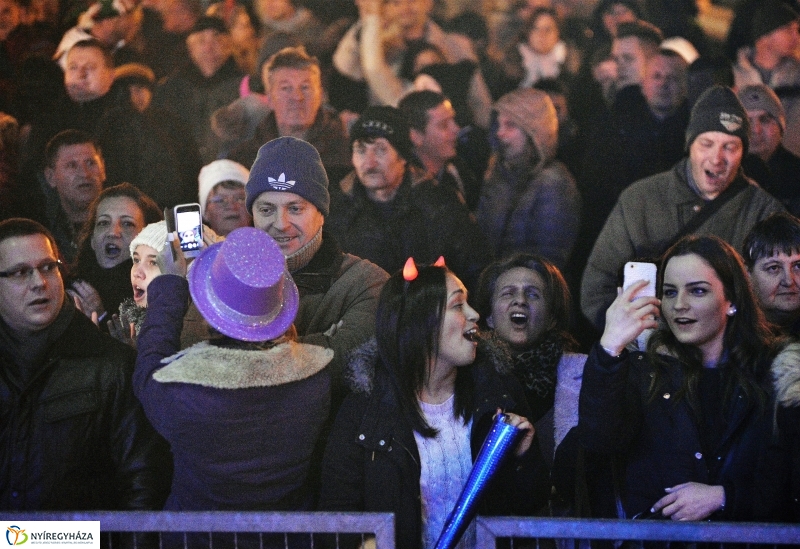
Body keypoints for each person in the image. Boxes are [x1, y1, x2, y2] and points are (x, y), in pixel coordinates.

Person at [318, 260, 550, 549]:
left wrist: (524, 458)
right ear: (420, 324)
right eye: (458, 305)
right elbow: (337, 517)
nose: (474, 314)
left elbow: (531, 507)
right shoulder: (363, 411)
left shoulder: (497, 393)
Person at [133, 226, 334, 514]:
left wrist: (169, 285)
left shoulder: (182, 390)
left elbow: (148, 369)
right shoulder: (315, 382)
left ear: (208, 309)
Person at [579, 234, 779, 521]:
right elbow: (599, 442)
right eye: (670, 292)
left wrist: (724, 496)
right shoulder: (646, 371)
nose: (679, 305)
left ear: (731, 301)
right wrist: (609, 348)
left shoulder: (773, 375)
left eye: (697, 291)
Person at [580, 85, 785, 331]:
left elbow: (780, 297)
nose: (717, 158)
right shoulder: (639, 201)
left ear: (743, 152)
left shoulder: (764, 213)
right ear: (689, 145)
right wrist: (636, 341)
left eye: (730, 147)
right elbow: (596, 287)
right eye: (706, 144)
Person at [0, 217, 170, 510]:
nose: (39, 283)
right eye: (20, 272)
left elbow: (144, 483)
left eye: (47, 267)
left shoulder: (112, 366)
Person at [245, 136, 389, 383]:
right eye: (266, 210)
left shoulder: (364, 283)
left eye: (295, 208)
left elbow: (345, 366)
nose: (281, 224)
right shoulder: (225, 281)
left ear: (321, 213)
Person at [328, 105, 492, 293]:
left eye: (381, 150)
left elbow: (475, 269)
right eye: (361, 150)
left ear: (403, 157)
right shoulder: (336, 207)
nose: (370, 162)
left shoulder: (439, 204)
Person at [476, 253, 586, 467]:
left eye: (533, 295)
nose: (520, 300)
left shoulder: (578, 379)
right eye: (508, 294)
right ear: (489, 317)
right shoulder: (473, 378)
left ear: (552, 319)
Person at [476, 88, 580, 271]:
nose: (500, 133)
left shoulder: (553, 184)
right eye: (498, 125)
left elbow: (548, 259)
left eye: (510, 125)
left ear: (535, 132)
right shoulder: (500, 177)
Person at [226, 46, 350, 181]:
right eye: (286, 88)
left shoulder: (346, 157)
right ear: (270, 98)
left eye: (305, 87)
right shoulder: (245, 161)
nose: (297, 97)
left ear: (320, 96)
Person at [69, 183, 162, 324]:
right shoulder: (70, 290)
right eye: (104, 223)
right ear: (92, 240)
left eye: (127, 224)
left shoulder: (160, 293)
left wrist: (101, 317)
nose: (113, 233)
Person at [398, 90, 481, 211]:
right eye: (444, 125)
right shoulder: (399, 185)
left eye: (453, 120)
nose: (456, 129)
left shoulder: (459, 171)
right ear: (415, 136)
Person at [41, 129, 106, 264]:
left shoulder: (129, 223)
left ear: (103, 170)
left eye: (91, 163)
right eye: (72, 165)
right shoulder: (41, 232)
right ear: (51, 177)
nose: (84, 173)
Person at [739, 84, 800, 217]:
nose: (756, 130)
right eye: (748, 122)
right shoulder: (725, 174)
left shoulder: (796, 174)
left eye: (765, 120)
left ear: (781, 126)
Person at [742, 212, 800, 337]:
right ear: (747, 274)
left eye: (798, 266)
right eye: (774, 268)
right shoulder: (728, 333)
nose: (789, 281)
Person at [198, 159, 251, 237]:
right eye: (220, 200)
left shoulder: (271, 246)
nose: (232, 206)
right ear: (205, 212)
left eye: (240, 199)